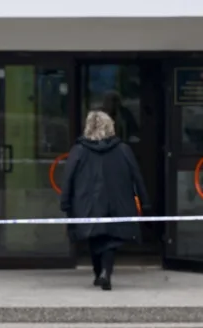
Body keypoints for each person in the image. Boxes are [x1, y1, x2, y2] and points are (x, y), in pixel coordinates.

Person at [60, 110, 148, 291]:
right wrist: (144, 201)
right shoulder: (123, 149)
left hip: (87, 202)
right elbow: (136, 176)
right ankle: (105, 272)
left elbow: (68, 177)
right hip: (117, 201)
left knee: (96, 236)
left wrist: (65, 202)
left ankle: (99, 272)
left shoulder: (79, 150)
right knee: (110, 237)